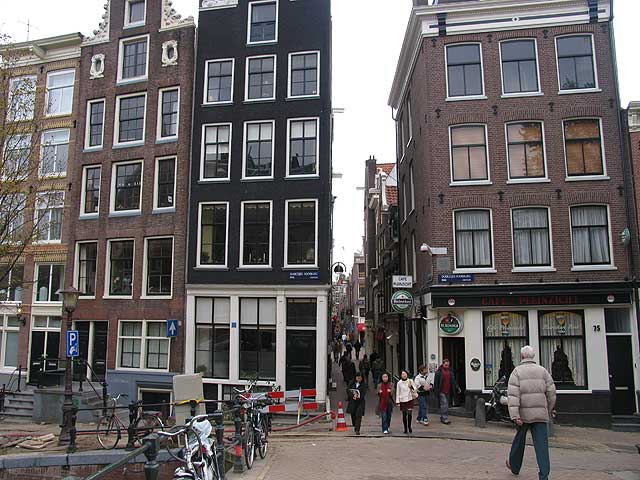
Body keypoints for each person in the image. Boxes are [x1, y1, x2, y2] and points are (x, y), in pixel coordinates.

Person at [506, 345, 556, 480]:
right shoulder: (543, 371)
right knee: (542, 446)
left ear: (522, 356)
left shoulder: (517, 372)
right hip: (540, 415)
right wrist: (548, 409)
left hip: (523, 415)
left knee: (519, 442)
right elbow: (551, 393)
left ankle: (514, 466)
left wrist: (515, 415)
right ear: (533, 356)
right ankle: (544, 476)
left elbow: (513, 395)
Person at [434, 359, 460, 424]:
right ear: (443, 364)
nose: (447, 366)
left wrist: (457, 387)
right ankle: (444, 418)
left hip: (448, 391)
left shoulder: (450, 371)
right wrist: (436, 391)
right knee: (444, 404)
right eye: (445, 365)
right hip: (441, 391)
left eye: (448, 365)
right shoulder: (438, 372)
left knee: (446, 405)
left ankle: (442, 417)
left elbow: (453, 381)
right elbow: (436, 383)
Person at [396, 370, 417, 434]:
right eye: (402, 374)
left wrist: (411, 387)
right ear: (400, 375)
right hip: (402, 400)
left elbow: (415, 389)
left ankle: (409, 426)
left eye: (405, 374)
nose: (404, 375)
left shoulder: (410, 381)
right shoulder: (399, 383)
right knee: (404, 414)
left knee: (409, 414)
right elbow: (398, 392)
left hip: (409, 399)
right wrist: (398, 402)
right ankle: (405, 428)